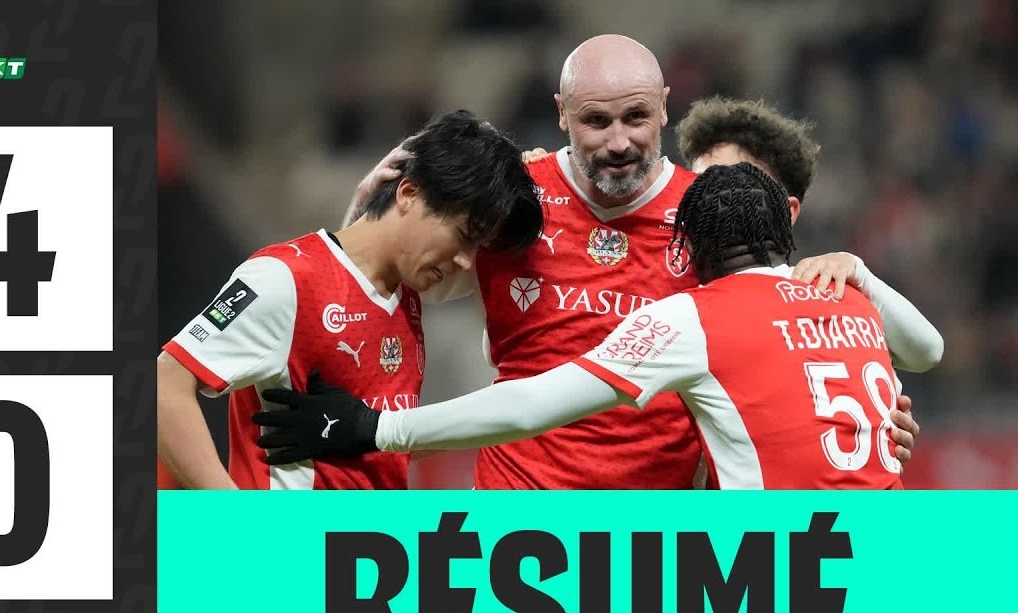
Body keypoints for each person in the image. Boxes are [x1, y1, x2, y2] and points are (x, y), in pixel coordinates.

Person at [340, 35, 922, 489]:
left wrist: (865, 422)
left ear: (665, 108)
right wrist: (363, 223)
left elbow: (781, 354)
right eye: (596, 121)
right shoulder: (515, 199)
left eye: (635, 118)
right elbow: (388, 291)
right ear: (562, 113)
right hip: (517, 517)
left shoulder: (710, 219)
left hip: (655, 533)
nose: (618, 142)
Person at [253, 163, 944, 489]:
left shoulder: (692, 316)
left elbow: (532, 403)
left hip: (790, 581)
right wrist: (861, 269)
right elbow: (929, 349)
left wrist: (375, 428)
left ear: (689, 250)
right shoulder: (847, 295)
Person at [157, 109, 542, 489]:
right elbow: (165, 384)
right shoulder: (283, 278)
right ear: (409, 193)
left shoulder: (405, 292)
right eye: (464, 236)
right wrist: (232, 514)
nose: (465, 261)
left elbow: (376, 438)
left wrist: (545, 178)